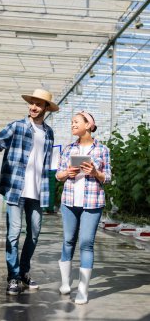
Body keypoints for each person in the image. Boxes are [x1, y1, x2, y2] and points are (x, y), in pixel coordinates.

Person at [0, 88, 59, 295]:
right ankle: (13, 277)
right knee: (13, 234)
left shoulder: (49, 132)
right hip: (16, 189)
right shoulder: (16, 126)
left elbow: (48, 164)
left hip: (37, 191)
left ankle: (24, 272)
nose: (33, 107)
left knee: (34, 233)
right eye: (31, 103)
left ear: (46, 108)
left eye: (38, 104)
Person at [56, 111, 111, 304]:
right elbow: (58, 175)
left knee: (86, 243)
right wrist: (67, 173)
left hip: (92, 202)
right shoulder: (68, 149)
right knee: (68, 240)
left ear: (88, 125)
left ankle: (82, 290)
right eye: (71, 122)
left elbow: (108, 177)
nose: (72, 125)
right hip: (69, 201)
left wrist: (95, 172)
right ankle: (65, 283)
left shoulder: (102, 150)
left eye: (76, 122)